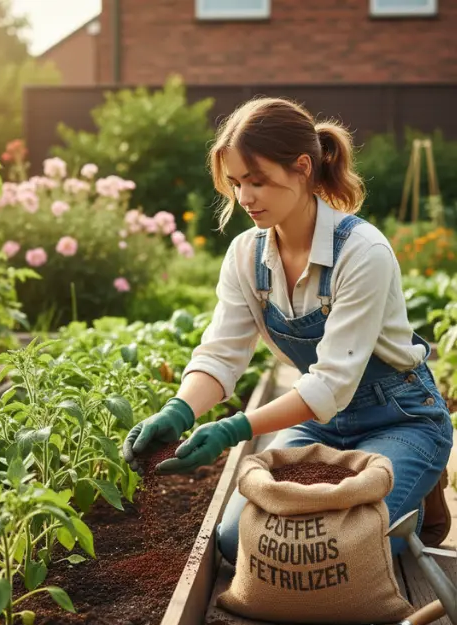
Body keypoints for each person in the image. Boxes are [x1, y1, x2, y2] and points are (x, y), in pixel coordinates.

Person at [122, 96, 453, 562]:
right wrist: (179, 411)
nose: (245, 198)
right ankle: (393, 511)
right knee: (241, 542)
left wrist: (233, 429)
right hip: (319, 425)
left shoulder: (362, 251)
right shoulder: (245, 255)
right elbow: (221, 355)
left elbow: (332, 381)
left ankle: (412, 500)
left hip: (400, 418)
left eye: (258, 181)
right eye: (236, 183)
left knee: (336, 546)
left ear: (302, 168)